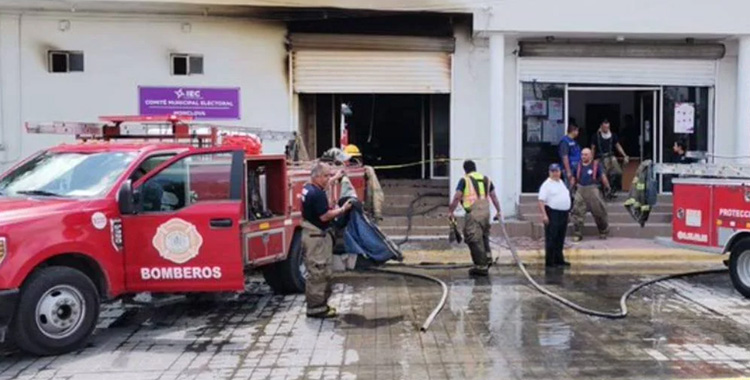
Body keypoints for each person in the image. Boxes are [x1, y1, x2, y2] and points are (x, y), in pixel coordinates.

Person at [300, 162, 352, 318]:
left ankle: (320, 304)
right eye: (326, 175)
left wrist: (335, 178)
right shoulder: (317, 195)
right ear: (316, 176)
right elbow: (325, 216)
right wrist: (343, 210)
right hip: (317, 238)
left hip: (310, 233)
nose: (328, 178)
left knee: (319, 271)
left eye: (330, 175)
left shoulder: (308, 187)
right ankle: (316, 309)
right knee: (319, 273)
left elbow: (323, 186)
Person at [448, 160, 502, 276]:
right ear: (475, 168)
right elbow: (494, 197)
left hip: (473, 213)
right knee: (484, 236)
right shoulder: (486, 179)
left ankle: (481, 266)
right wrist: (498, 211)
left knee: (473, 239)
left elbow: (457, 197)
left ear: (465, 170)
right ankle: (487, 259)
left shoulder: (465, 180)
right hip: (486, 212)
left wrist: (451, 211)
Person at [571, 148, 611, 242]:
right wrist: (571, 187)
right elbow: (573, 178)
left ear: (590, 156)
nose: (583, 156)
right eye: (582, 154)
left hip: (593, 190)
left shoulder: (596, 165)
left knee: (599, 212)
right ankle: (577, 234)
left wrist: (607, 186)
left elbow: (603, 176)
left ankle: (603, 231)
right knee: (577, 213)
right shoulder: (577, 165)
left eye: (585, 154)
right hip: (580, 190)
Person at [538, 163, 571, 267]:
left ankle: (559, 259)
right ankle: (550, 262)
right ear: (549, 172)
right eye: (553, 171)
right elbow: (541, 201)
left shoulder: (561, 182)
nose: (555, 173)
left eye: (557, 171)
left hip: (563, 213)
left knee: (560, 237)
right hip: (552, 212)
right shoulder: (546, 185)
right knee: (552, 238)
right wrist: (544, 215)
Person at [591, 119, 629, 196]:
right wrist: (591, 160)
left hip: (611, 157)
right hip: (600, 158)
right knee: (602, 175)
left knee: (618, 172)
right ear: (601, 126)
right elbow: (593, 149)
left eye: (608, 127)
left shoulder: (613, 135)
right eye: (605, 127)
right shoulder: (595, 136)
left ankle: (612, 188)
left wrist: (624, 155)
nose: (606, 129)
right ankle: (606, 190)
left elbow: (618, 146)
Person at [558, 122, 582, 187]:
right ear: (573, 131)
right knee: (569, 187)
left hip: (576, 167)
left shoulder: (574, 141)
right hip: (570, 168)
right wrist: (568, 171)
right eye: (577, 131)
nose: (578, 133)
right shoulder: (565, 142)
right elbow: (565, 157)